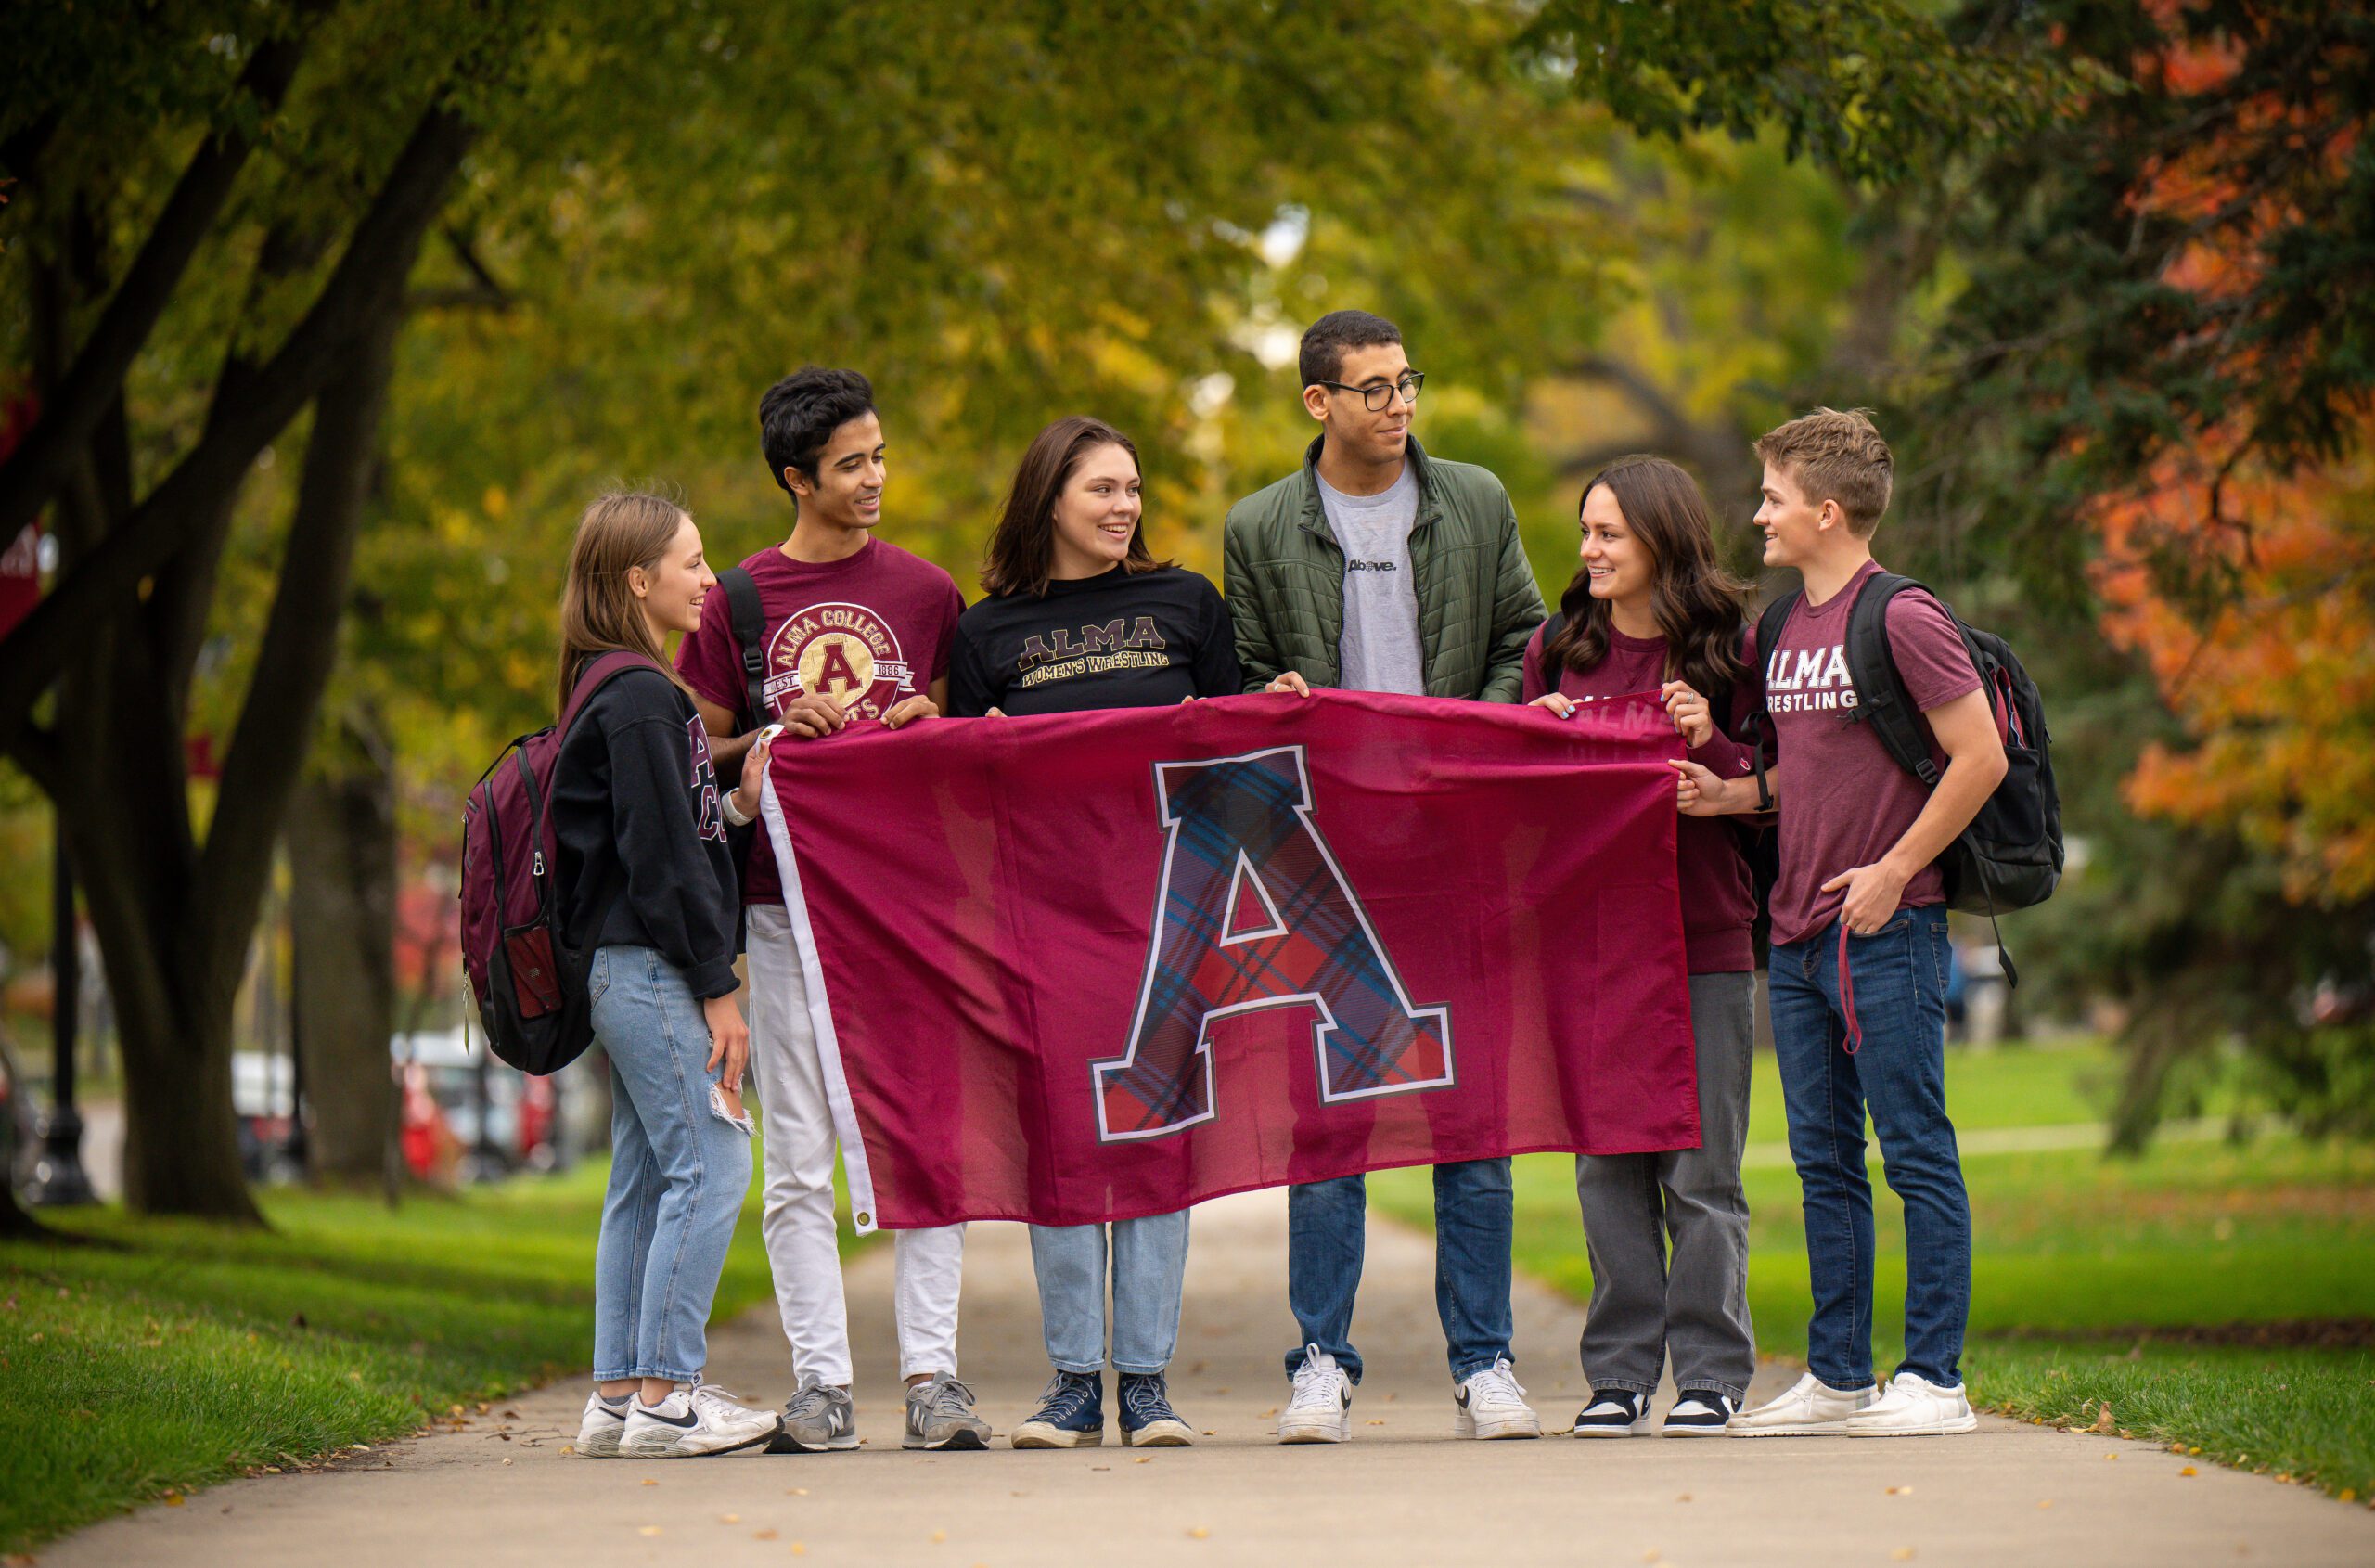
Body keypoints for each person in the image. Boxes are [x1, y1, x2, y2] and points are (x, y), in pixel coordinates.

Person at [1222, 308, 1548, 1443]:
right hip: (1329, 861)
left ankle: (1486, 1361)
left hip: (1457, 851)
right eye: (1373, 388)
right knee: (1330, 1126)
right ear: (1318, 402)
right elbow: (1252, 672)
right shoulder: (1259, 525)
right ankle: (1320, 1359)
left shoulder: (1476, 499)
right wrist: (1277, 704)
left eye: (1407, 381)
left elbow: (1524, 637)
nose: (1398, 403)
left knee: (1473, 1117)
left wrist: (1469, 738)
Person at [674, 368, 991, 1453]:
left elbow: (975, 746)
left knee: (922, 1140)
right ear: (795, 477)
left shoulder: (928, 595)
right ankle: (822, 1387)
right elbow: (692, 745)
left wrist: (923, 725)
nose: (875, 479)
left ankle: (935, 1380)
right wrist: (766, 739)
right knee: (801, 1151)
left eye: (880, 456)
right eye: (852, 464)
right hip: (782, 909)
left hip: (910, 912)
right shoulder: (737, 602)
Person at [1674, 409, 2007, 1437]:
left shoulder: (1900, 616)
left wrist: (1895, 871)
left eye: (1772, 498)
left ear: (1826, 510)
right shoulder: (1777, 629)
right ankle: (1837, 1374)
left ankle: (1935, 1379)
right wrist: (1725, 795)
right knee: (1822, 1161)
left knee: (1912, 1148)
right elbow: (1799, 777)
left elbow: (1980, 756)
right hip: (1796, 931)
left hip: (1889, 924)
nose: (1758, 514)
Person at [947, 417, 1239, 1449]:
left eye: (1132, 489)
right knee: (1064, 1146)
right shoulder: (985, 635)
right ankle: (1074, 1379)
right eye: (1101, 490)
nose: (1123, 507)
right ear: (1049, 501)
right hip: (1042, 923)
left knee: (1157, 1140)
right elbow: (957, 798)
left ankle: (1148, 1382)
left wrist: (1276, 711)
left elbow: (1237, 758)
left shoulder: (1187, 606)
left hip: (1171, 913)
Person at [1521, 456, 1760, 1437]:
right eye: (1585, 531)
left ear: (1661, 536)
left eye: (1607, 532)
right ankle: (1616, 1374)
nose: (1588, 550)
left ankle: (1711, 1373)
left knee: (1701, 1170)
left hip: (1703, 934)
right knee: (1606, 1167)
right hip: (1591, 944)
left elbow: (1776, 788)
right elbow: (1518, 805)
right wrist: (1526, 737)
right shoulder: (1558, 650)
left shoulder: (1732, 654)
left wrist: (1714, 741)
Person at [551, 491, 778, 1459]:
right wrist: (715, 983)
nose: (708, 578)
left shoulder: (614, 687)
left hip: (624, 962)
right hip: (650, 968)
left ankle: (616, 1395)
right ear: (637, 579)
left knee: (646, 1175)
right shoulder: (645, 695)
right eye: (690, 561)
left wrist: (732, 806)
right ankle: (667, 1397)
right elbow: (655, 862)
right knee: (717, 1159)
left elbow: (663, 833)